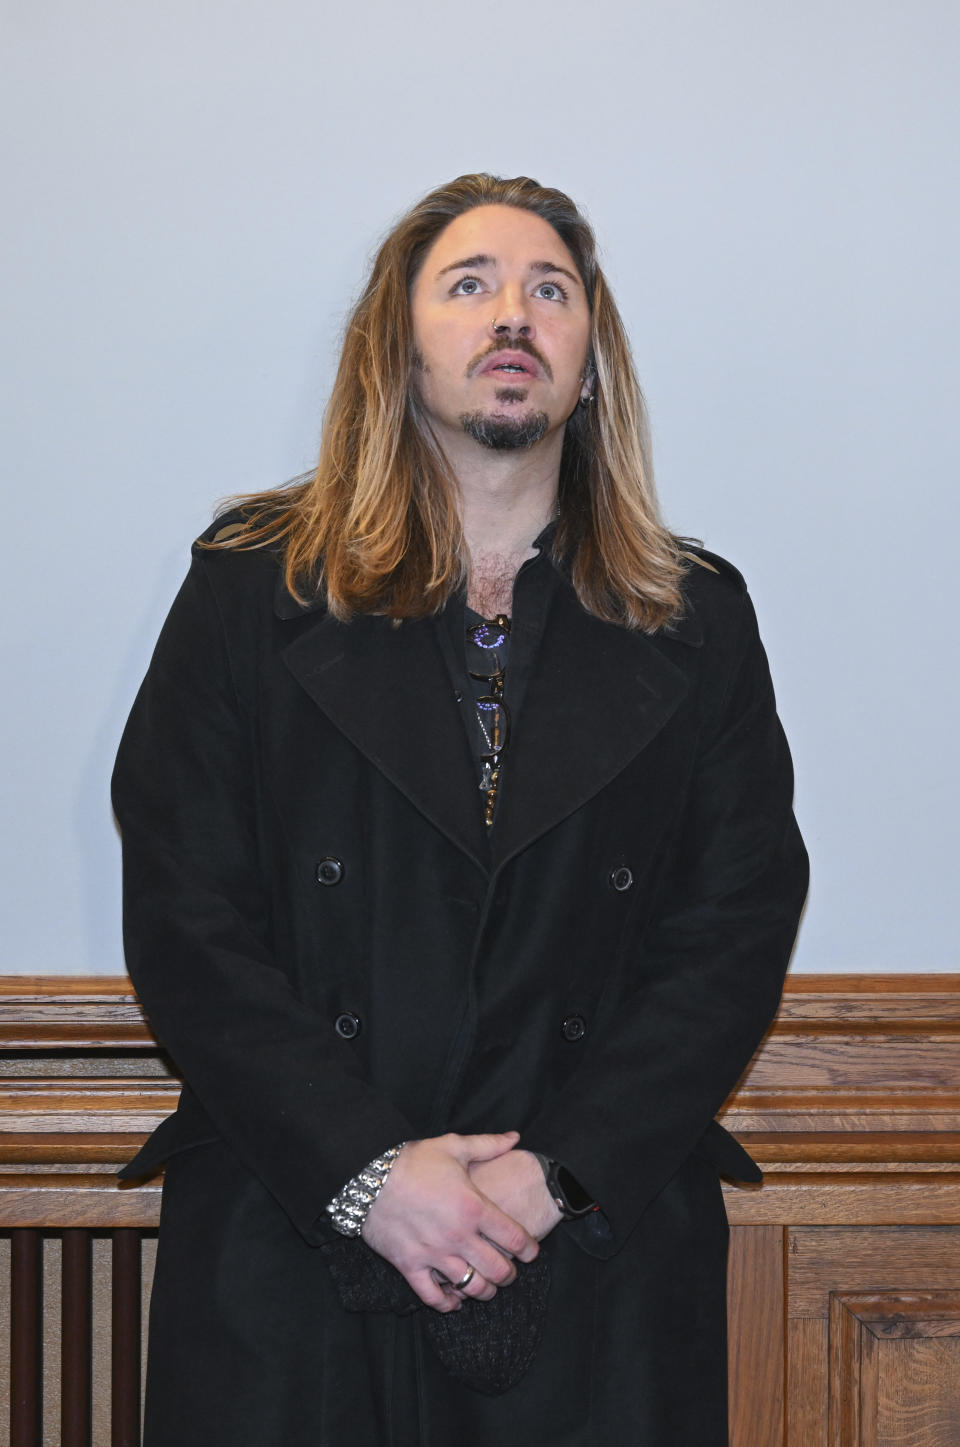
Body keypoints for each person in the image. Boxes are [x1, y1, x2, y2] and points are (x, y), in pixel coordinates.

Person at [113, 172, 808, 1446]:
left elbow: (736, 926)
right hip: (295, 1231)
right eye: (470, 284)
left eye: (551, 290)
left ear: (590, 363)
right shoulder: (245, 595)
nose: (515, 315)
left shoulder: (698, 617)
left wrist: (548, 1178)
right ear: (397, 344)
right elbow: (184, 913)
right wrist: (372, 1172)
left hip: (593, 1244)